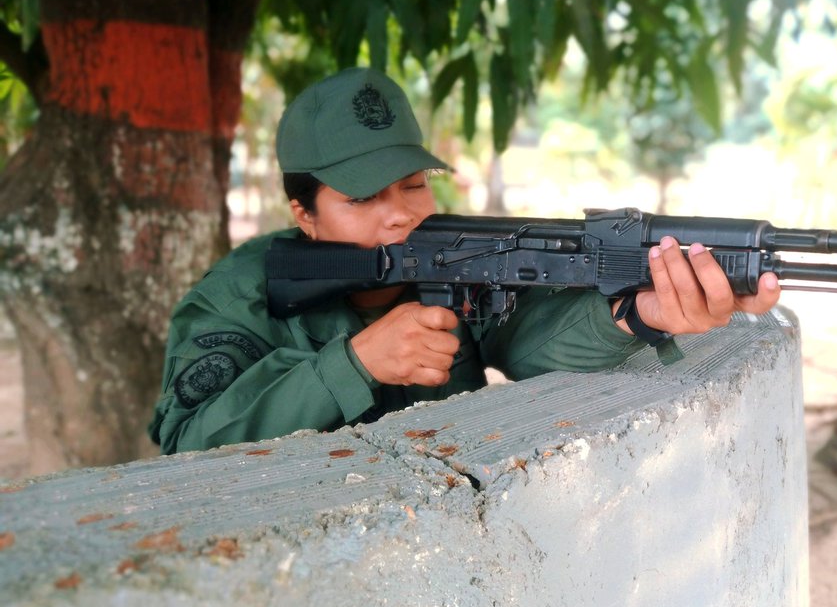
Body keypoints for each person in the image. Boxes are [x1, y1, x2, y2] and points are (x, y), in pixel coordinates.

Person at [150, 67, 781, 453]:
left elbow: (530, 347)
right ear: (302, 212)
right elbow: (189, 445)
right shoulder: (237, 297)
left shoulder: (455, 253)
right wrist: (354, 363)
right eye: (362, 197)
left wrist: (636, 315)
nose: (399, 214)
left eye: (414, 185)